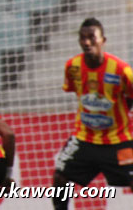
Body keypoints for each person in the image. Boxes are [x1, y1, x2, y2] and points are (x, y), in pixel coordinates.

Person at [52, 17, 133, 210]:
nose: (87, 42)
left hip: (118, 140)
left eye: (92, 37)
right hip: (85, 138)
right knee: (59, 178)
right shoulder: (72, 67)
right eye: (82, 38)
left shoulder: (122, 70)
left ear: (103, 40)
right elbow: (78, 92)